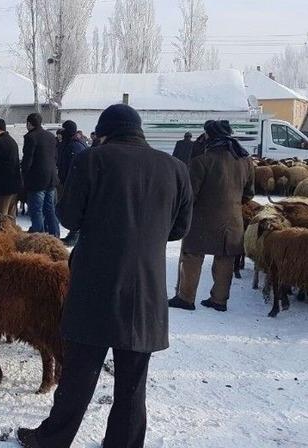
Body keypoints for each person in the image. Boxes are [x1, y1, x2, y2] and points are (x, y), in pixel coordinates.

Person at [17, 104, 193, 448]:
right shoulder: (175, 169)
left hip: (95, 285)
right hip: (146, 289)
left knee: (78, 375)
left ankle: (52, 440)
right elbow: (180, 229)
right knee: (132, 383)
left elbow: (69, 217)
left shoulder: (92, 160)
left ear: (105, 131)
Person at [169, 120, 253, 313]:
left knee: (192, 257)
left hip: (201, 220)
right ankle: (219, 300)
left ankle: (186, 298)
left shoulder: (202, 161)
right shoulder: (245, 160)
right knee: (225, 259)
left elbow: (190, 194)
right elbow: (249, 193)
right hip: (232, 221)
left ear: (209, 135)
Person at [21, 113, 60, 236]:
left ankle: (40, 238)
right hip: (52, 177)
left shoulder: (30, 137)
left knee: (36, 210)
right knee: (50, 209)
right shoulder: (50, 136)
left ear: (28, 124)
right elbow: (55, 156)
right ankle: (55, 235)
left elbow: (28, 160)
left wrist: (24, 175)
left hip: (37, 179)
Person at [56, 120, 89, 246]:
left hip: (72, 182)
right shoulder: (73, 143)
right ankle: (73, 234)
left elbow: (72, 166)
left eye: (63, 130)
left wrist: (69, 180)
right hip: (69, 180)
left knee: (74, 208)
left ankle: (74, 235)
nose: (61, 133)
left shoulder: (74, 145)